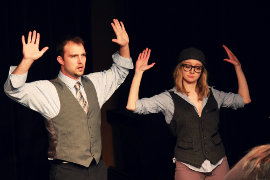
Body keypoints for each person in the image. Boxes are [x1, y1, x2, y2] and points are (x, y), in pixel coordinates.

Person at [4, 19, 133, 180]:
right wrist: (27, 60)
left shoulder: (94, 83)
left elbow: (121, 70)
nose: (80, 61)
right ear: (61, 60)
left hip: (98, 170)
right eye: (73, 56)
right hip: (67, 173)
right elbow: (13, 89)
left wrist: (124, 46)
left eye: (83, 55)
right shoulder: (49, 89)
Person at [126, 46, 251, 180]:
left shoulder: (213, 94)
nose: (192, 71)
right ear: (180, 68)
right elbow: (132, 106)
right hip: (188, 164)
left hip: (218, 162)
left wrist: (238, 67)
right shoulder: (168, 99)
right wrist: (138, 73)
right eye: (187, 66)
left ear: (202, 71)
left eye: (197, 67)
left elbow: (244, 99)